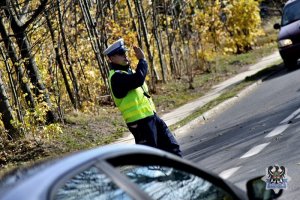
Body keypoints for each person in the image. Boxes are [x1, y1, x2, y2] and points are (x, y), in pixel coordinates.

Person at [103, 38, 182, 157]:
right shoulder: (116, 77)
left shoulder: (127, 72)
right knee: (152, 160)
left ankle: (183, 174)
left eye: (125, 52)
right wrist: (142, 60)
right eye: (120, 54)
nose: (125, 55)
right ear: (112, 58)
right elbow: (138, 79)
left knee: (173, 149)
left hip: (151, 117)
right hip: (140, 124)